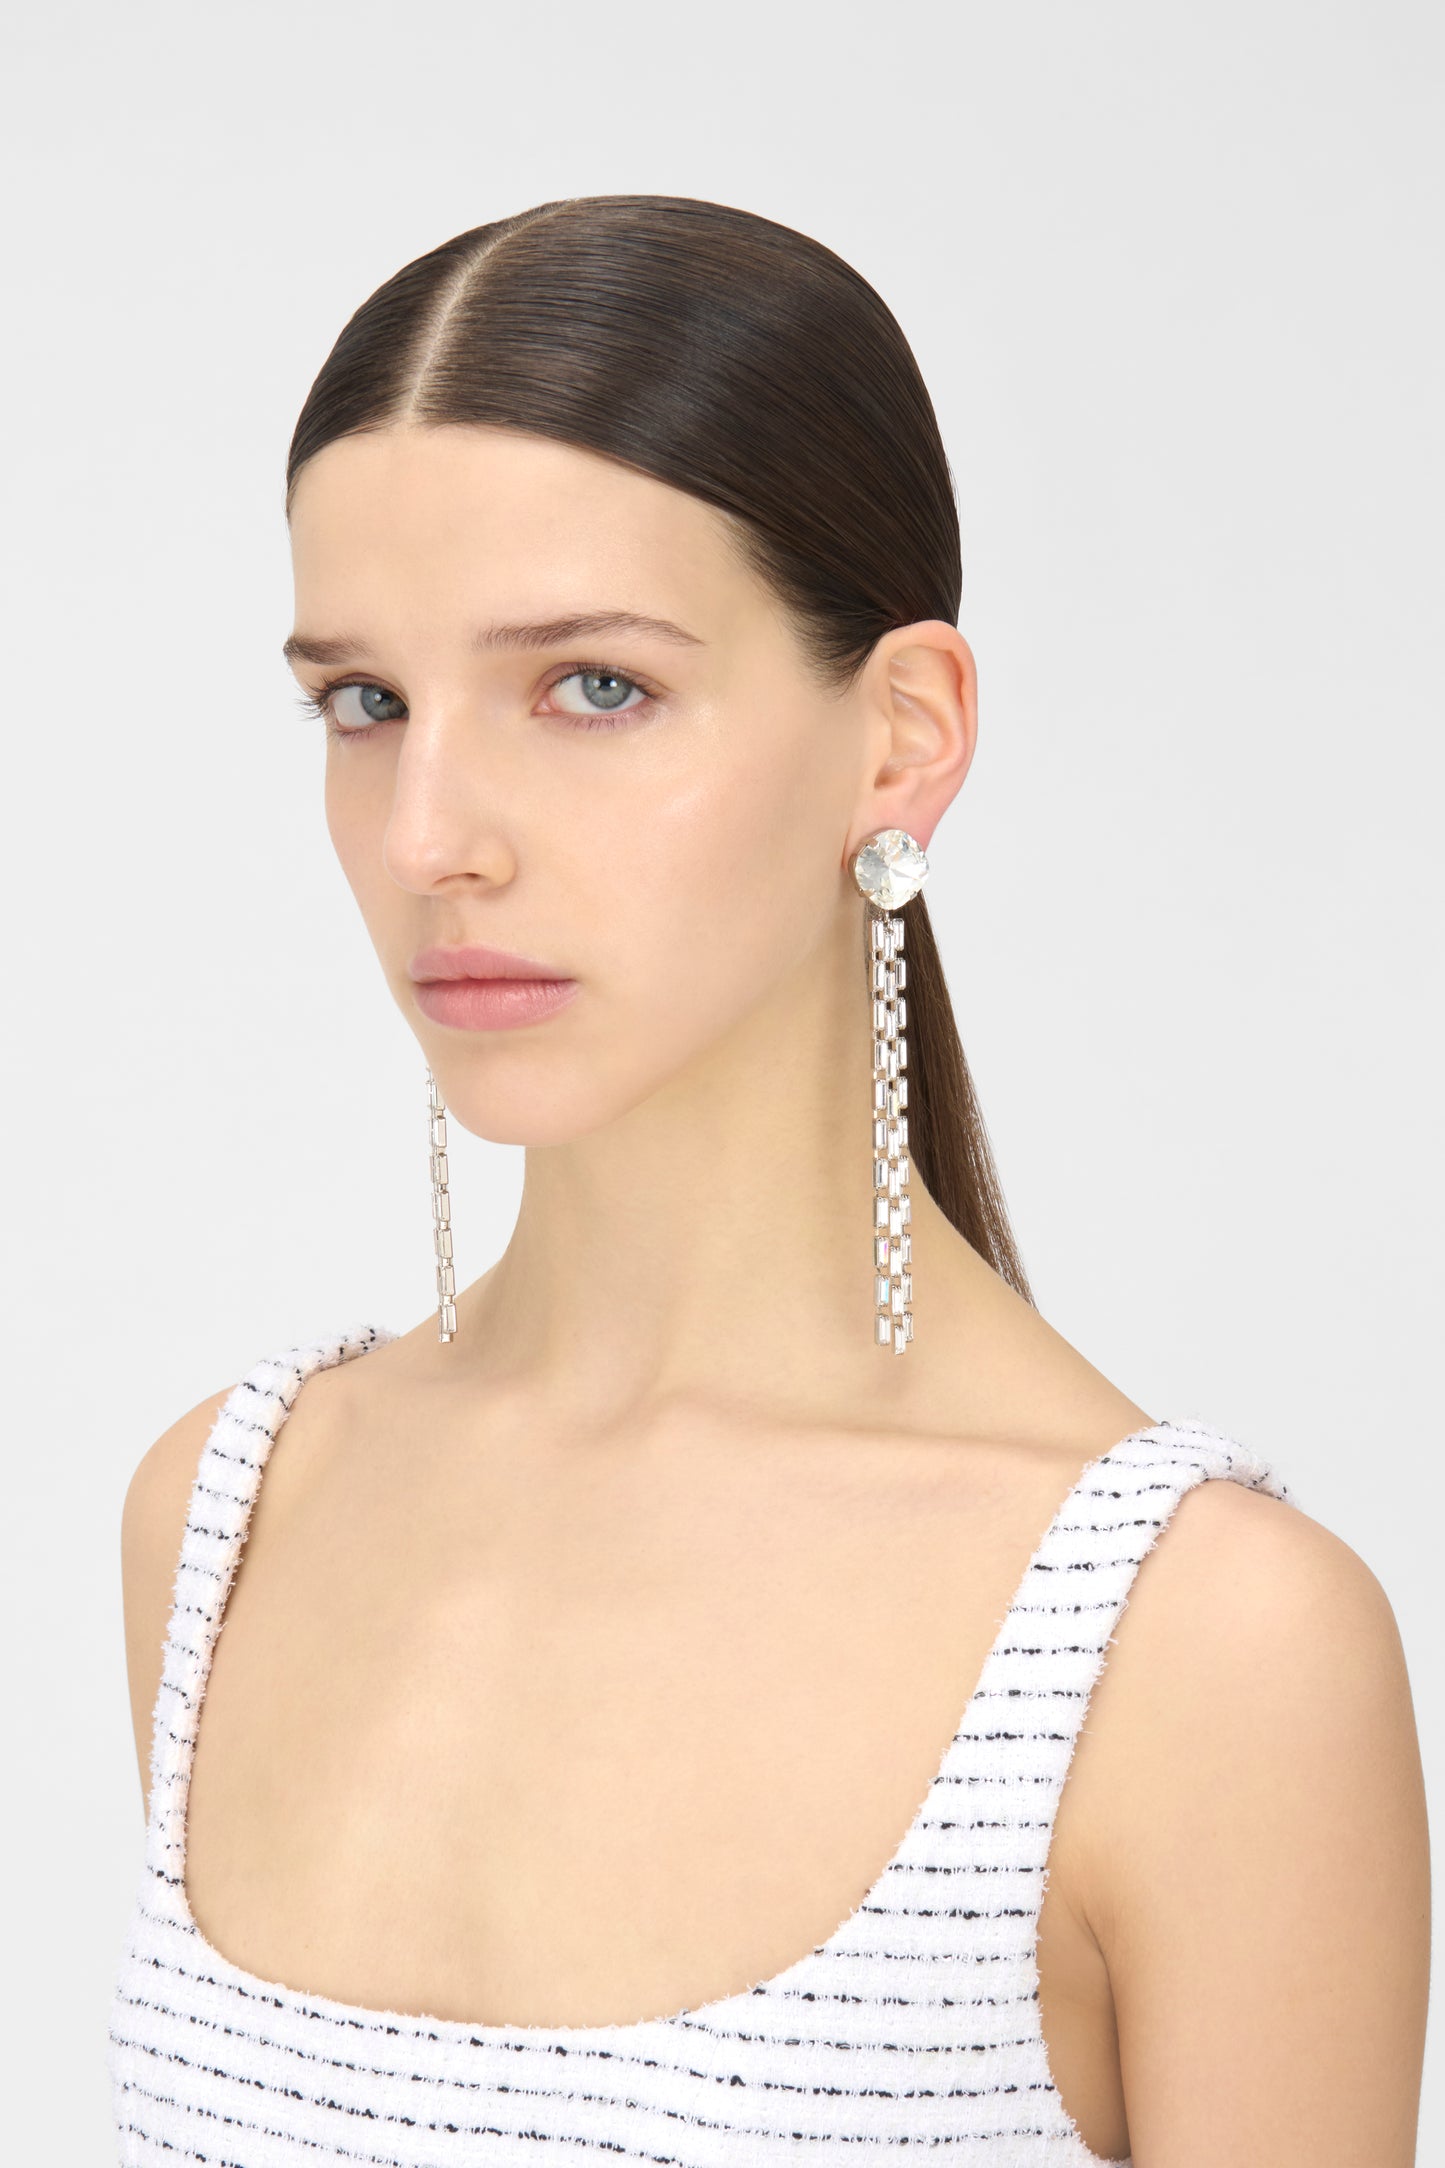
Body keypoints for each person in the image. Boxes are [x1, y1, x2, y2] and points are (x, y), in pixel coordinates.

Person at [107, 195, 1429, 2165]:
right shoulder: (228, 1514)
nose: (430, 834)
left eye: (592, 686)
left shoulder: (1202, 1654)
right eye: (365, 702)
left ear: (901, 738)